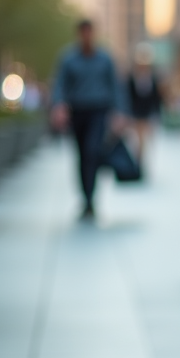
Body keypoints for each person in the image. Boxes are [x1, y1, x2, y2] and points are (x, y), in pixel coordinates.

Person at [50, 19, 122, 220]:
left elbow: (115, 86)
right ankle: (85, 198)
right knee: (81, 155)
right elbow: (60, 84)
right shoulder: (68, 59)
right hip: (77, 111)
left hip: (99, 111)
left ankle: (91, 197)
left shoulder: (105, 59)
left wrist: (119, 112)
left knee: (93, 151)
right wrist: (58, 105)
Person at [125, 42, 163, 164]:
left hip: (148, 114)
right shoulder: (131, 78)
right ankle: (138, 163)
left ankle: (141, 163)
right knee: (137, 141)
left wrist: (156, 114)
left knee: (146, 142)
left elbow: (156, 98)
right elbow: (128, 97)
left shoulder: (153, 78)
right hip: (135, 114)